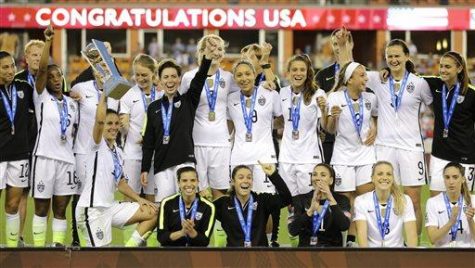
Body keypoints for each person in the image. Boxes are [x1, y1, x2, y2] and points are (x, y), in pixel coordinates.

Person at [366, 39, 433, 235]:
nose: (394, 60)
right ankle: (388, 243)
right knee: (384, 199)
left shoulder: (419, 84)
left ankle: (414, 245)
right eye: (390, 56)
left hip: (411, 148)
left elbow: (436, 109)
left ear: (406, 57)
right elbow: (350, 70)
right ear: (385, 58)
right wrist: (344, 47)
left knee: (413, 200)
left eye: (397, 56)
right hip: (385, 147)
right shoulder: (378, 80)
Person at [76, 93, 158, 247]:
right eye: (109, 123)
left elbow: (120, 183)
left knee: (152, 211)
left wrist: (140, 199)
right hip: (92, 209)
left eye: (116, 123)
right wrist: (105, 95)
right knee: (99, 259)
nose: (113, 127)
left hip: (110, 207)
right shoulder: (96, 145)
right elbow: (99, 121)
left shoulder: (119, 152)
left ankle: (128, 251)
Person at [141, 38, 217, 204]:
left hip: (185, 161)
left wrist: (207, 59)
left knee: (188, 205)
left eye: (174, 77)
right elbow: (148, 142)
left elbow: (199, 79)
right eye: (166, 77)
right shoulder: (153, 108)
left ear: (179, 79)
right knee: (164, 207)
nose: (170, 80)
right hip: (162, 166)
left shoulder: (188, 100)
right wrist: (145, 168)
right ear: (159, 81)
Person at [31, 26, 79, 247]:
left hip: (67, 160)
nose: (55, 79)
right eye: (51, 77)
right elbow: (40, 71)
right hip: (44, 158)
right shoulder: (41, 97)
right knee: (42, 208)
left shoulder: (72, 103)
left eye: (58, 74)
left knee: (61, 209)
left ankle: (58, 249)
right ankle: (39, 252)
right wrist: (48, 42)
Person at [69, 44, 120, 246]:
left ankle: (96, 237)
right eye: (99, 69)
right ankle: (76, 239)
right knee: (81, 196)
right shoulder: (80, 88)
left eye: (106, 69)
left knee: (100, 195)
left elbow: (120, 116)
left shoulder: (116, 92)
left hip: (106, 153)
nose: (103, 72)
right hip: (83, 151)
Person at [324, 62, 377, 246]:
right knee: (345, 202)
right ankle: (340, 238)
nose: (366, 78)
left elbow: (375, 118)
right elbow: (330, 130)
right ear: (350, 79)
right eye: (361, 76)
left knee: (364, 200)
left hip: (366, 154)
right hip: (343, 156)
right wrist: (334, 117)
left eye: (365, 75)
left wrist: (375, 128)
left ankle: (355, 239)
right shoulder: (335, 98)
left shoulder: (370, 98)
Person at [178, 34, 237, 200]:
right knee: (197, 194)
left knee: (220, 193)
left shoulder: (229, 78)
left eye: (219, 49)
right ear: (201, 52)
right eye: (211, 48)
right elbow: (183, 110)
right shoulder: (189, 77)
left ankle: (219, 226)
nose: (216, 52)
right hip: (197, 142)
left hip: (221, 143)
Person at [422, 52, 475, 196]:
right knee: (436, 201)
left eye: (448, 67)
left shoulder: (471, 94)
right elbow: (410, 77)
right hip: (440, 154)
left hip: (465, 156)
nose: (443, 70)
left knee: (464, 202)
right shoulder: (435, 84)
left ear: (459, 69)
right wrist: (387, 71)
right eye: (441, 66)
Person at [0, 51, 34, 247]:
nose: (11, 70)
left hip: (20, 155)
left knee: (13, 204)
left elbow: (45, 92)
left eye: (12, 65)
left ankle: (12, 249)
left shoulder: (23, 88)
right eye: (5, 67)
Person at [213, 162, 292, 247]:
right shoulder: (223, 204)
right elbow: (203, 209)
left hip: (260, 256)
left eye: (249, 177)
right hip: (234, 256)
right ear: (233, 182)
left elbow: (287, 199)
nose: (245, 180)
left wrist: (273, 175)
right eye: (241, 177)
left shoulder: (262, 200)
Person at [13, 38, 45, 246]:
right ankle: (19, 237)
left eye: (41, 55)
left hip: (45, 145)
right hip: (23, 144)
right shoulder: (16, 80)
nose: (38, 59)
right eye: (34, 54)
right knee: (22, 193)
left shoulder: (52, 78)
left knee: (44, 195)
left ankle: (40, 242)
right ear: (26, 58)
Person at [119, 54, 160, 202]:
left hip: (155, 154)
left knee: (152, 199)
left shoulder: (161, 94)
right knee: (130, 197)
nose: (140, 78)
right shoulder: (128, 95)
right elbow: (123, 128)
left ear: (154, 74)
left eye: (145, 75)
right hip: (133, 154)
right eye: (137, 74)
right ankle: (132, 226)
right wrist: (123, 124)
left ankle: (149, 226)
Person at [354, 161, 418, 247]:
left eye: (388, 174)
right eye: (380, 174)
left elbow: (412, 237)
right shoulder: (361, 201)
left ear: (393, 178)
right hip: (372, 254)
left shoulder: (405, 200)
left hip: (398, 254)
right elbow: (362, 238)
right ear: (372, 178)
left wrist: (409, 259)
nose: (385, 177)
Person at [315, 27, 353, 165]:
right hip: (329, 138)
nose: (339, 48)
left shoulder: (364, 73)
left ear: (351, 44)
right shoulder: (322, 75)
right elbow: (316, 104)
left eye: (343, 43)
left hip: (356, 138)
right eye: (335, 44)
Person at [288, 163, 351, 247]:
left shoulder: (342, 200)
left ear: (331, 180)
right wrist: (310, 211)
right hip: (306, 251)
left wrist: (332, 201)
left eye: (323, 175)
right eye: (314, 174)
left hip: (333, 252)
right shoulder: (299, 200)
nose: (318, 178)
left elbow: (344, 226)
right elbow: (292, 231)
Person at [157, 166, 216, 247]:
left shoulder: (208, 207)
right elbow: (161, 237)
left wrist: (192, 232)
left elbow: (205, 241)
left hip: (196, 254)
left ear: (198, 182)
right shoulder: (167, 203)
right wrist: (182, 233)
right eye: (184, 180)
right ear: (178, 183)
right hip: (172, 252)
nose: (189, 184)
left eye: (193, 180)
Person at [425, 162, 475, 247]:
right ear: (443, 179)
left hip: (467, 254)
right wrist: (451, 222)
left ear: (463, 179)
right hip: (443, 255)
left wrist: (470, 221)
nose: (451, 182)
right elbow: (432, 238)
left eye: (455, 177)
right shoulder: (432, 202)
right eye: (447, 177)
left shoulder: (472, 201)